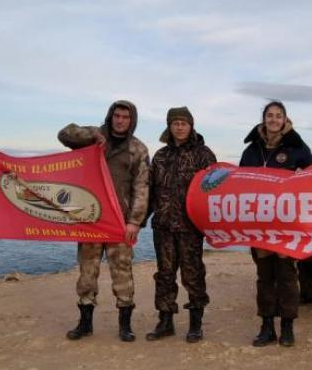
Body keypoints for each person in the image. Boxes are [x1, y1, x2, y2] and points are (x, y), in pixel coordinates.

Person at [59, 100, 149, 342]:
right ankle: (85, 323)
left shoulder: (138, 149)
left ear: (132, 121)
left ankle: (125, 326)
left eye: (125, 117)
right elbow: (64, 134)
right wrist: (91, 135)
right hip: (89, 218)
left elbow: (142, 187)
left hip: (119, 222)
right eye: (116, 116)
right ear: (110, 117)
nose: (120, 121)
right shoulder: (92, 136)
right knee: (87, 273)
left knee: (123, 273)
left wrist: (135, 222)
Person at [239, 100, 312, 347]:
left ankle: (287, 327)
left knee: (287, 276)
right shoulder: (252, 150)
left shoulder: (297, 147)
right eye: (269, 115)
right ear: (264, 119)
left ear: (285, 119)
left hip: (286, 225)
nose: (273, 119)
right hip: (259, 224)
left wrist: (302, 178)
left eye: (278, 115)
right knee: (264, 277)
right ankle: (267, 326)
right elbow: (239, 183)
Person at [145, 107, 217, 343]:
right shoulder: (160, 156)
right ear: (169, 126)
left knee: (193, 274)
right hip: (163, 226)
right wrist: (138, 220)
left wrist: (213, 225)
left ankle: (196, 324)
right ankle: (165, 322)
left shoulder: (204, 155)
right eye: (175, 123)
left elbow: (216, 190)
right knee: (165, 275)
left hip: (191, 228)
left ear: (191, 126)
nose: (179, 127)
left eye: (183, 123)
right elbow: (149, 191)